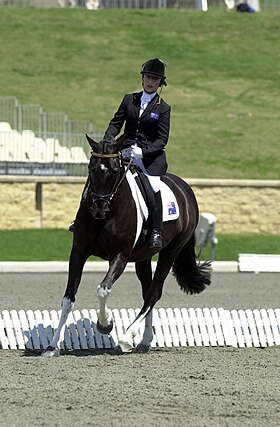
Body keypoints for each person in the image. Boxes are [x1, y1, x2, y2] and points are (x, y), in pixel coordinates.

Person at [103, 58, 171, 249]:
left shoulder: (163, 108)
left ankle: (156, 231)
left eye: (155, 79)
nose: (150, 82)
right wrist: (108, 141)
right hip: (124, 152)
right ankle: (82, 220)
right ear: (142, 78)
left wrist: (143, 152)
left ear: (160, 83)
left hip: (149, 160)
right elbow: (116, 123)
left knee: (154, 187)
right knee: (101, 174)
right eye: (148, 77)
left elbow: (161, 139)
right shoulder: (128, 99)